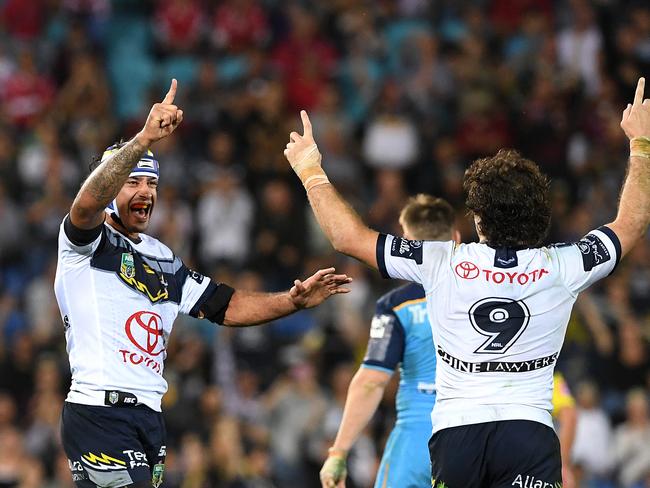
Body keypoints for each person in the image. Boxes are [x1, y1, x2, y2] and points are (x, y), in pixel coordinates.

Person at [284, 76, 650, 488]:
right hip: (528, 433)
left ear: (476, 219)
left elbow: (347, 238)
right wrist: (641, 144)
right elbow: (631, 224)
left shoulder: (441, 261)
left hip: (458, 435)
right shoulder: (563, 266)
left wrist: (310, 168)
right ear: (540, 217)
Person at [54, 79, 352, 488]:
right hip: (99, 414)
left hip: (149, 417)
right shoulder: (83, 244)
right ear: (109, 189)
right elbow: (85, 204)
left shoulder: (163, 257)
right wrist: (143, 139)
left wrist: (292, 301)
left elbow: (225, 306)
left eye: (152, 183)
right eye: (133, 183)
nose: (145, 192)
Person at [319, 194, 458, 488]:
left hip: (417, 439)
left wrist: (339, 451)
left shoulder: (397, 305)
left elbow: (372, 380)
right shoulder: (486, 296)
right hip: (476, 434)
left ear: (406, 244)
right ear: (456, 238)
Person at [552, 372, 577, 488]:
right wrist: (562, 465)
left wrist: (562, 465)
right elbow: (569, 416)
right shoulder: (545, 370)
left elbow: (569, 416)